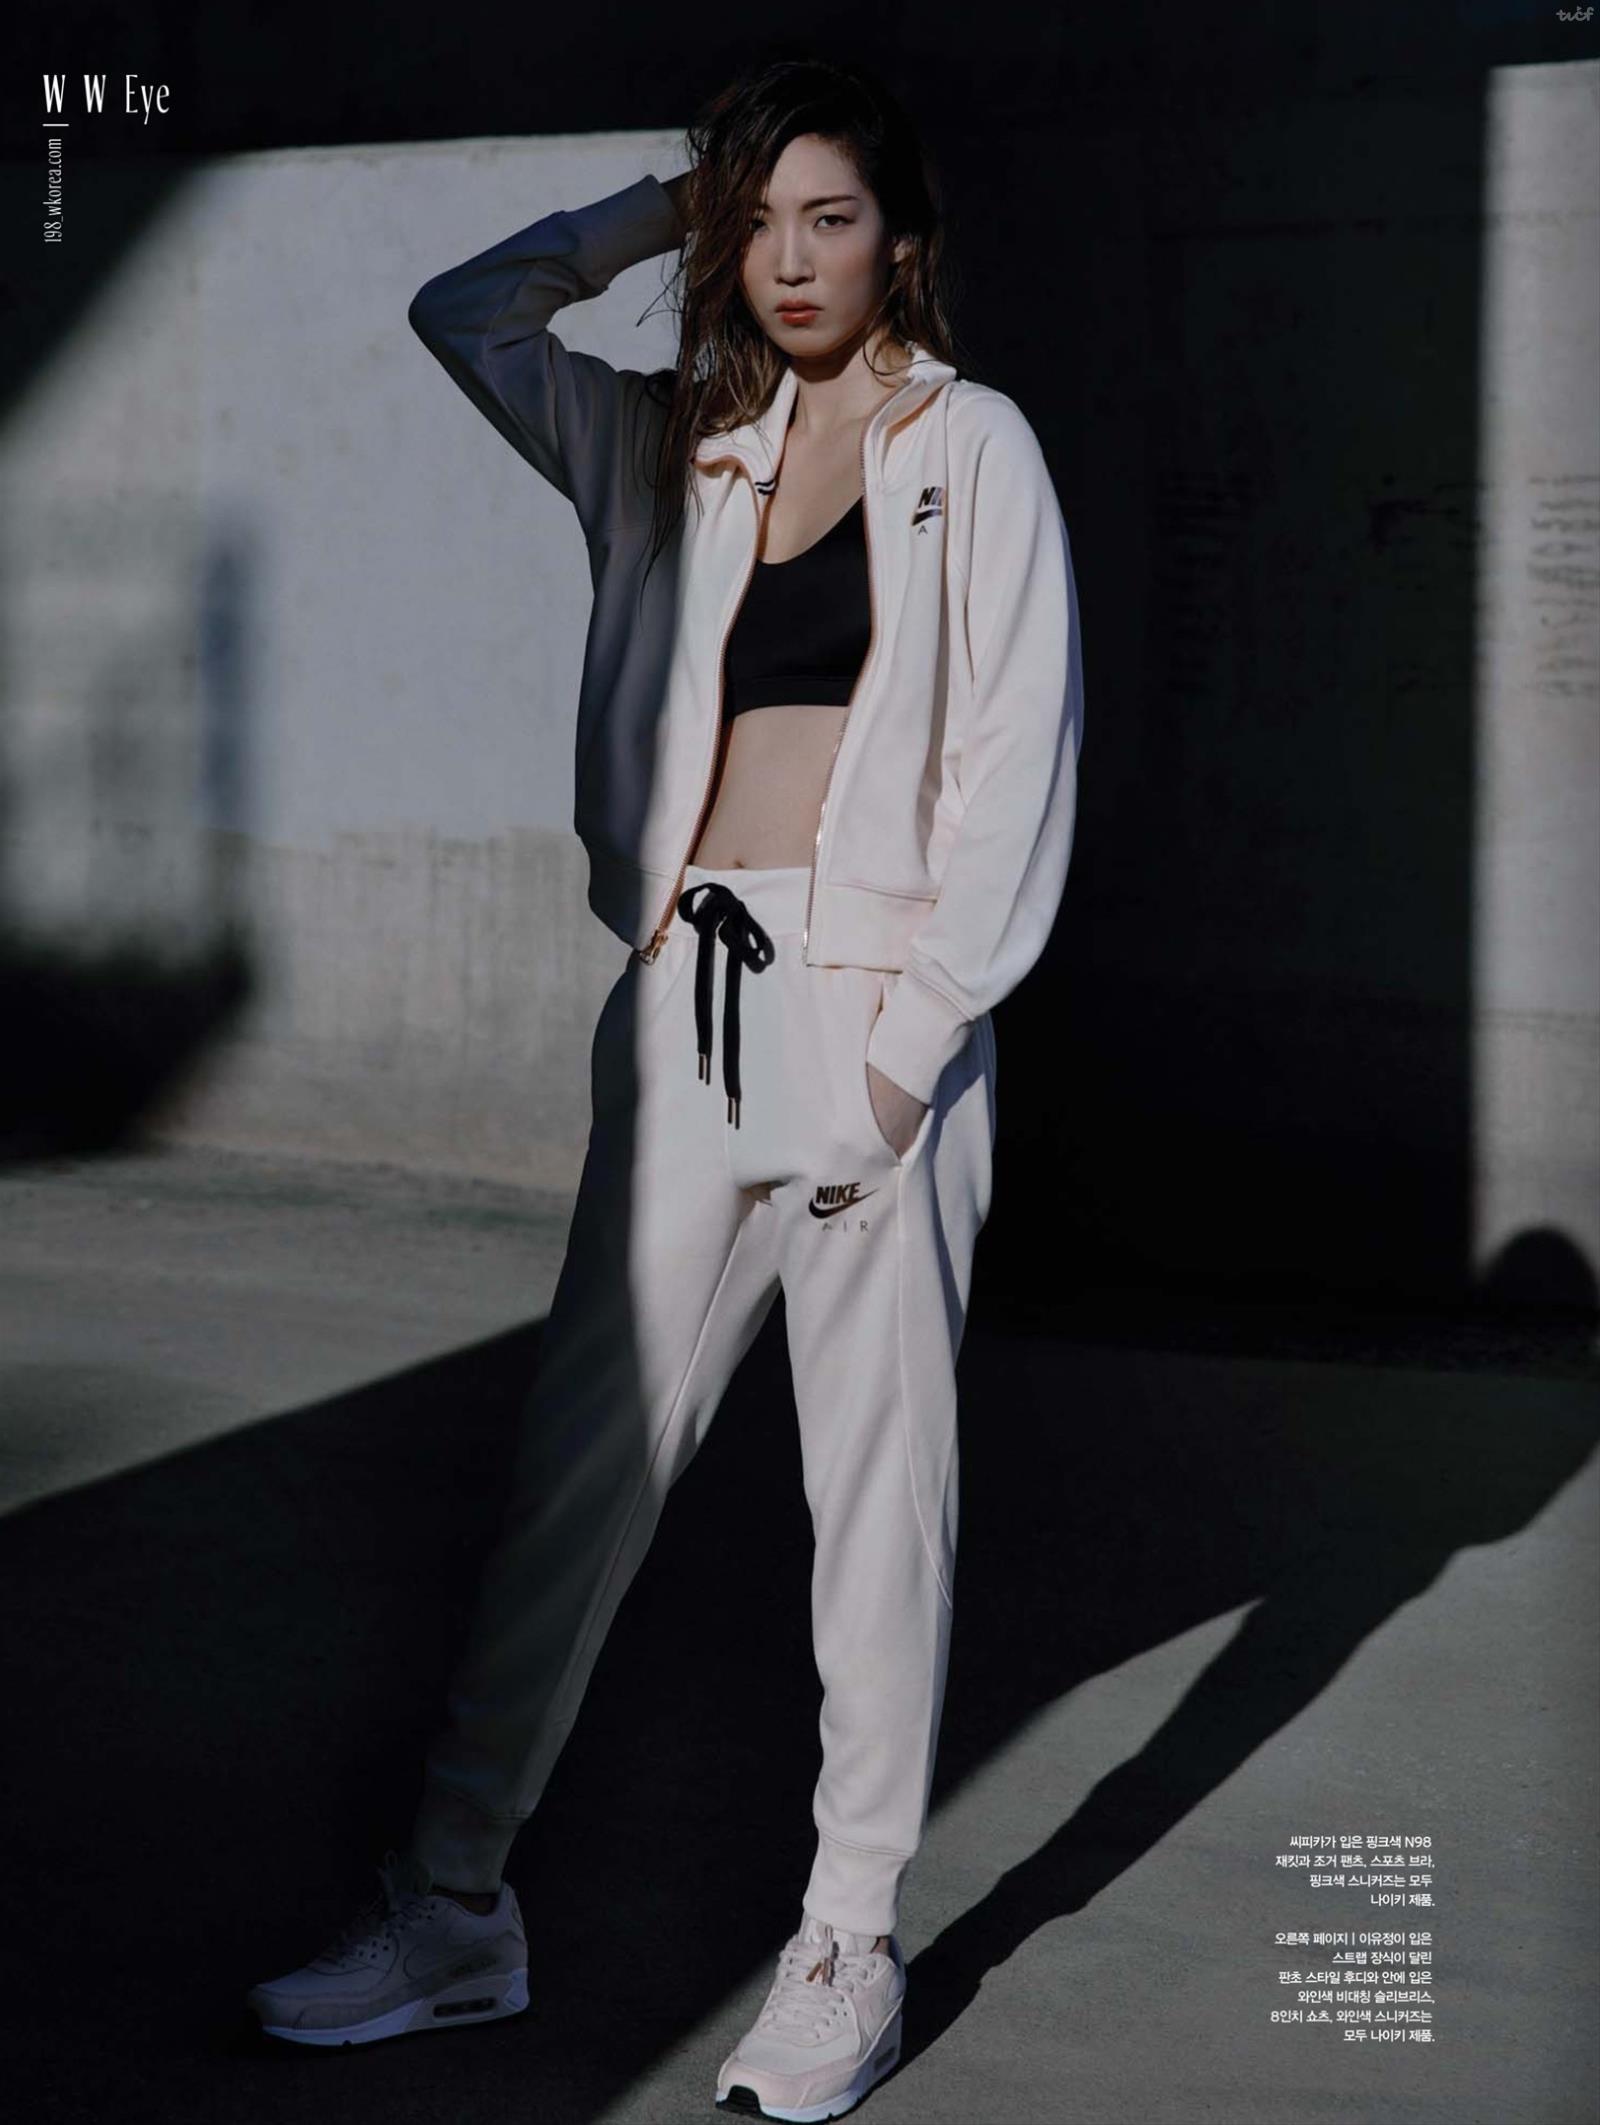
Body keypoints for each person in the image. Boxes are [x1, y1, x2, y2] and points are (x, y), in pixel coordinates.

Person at [246, 55, 1082, 2121]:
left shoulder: (973, 449)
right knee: (574, 1482)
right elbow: (464, 311)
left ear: (901, 241)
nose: (790, 258)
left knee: (870, 1503)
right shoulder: (670, 447)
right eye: (756, 219)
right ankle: (453, 1907)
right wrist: (659, 202)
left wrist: (902, 1060)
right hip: (683, 1007)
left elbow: (1014, 764)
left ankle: (847, 1938)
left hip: (875, 1020)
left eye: (828, 218)